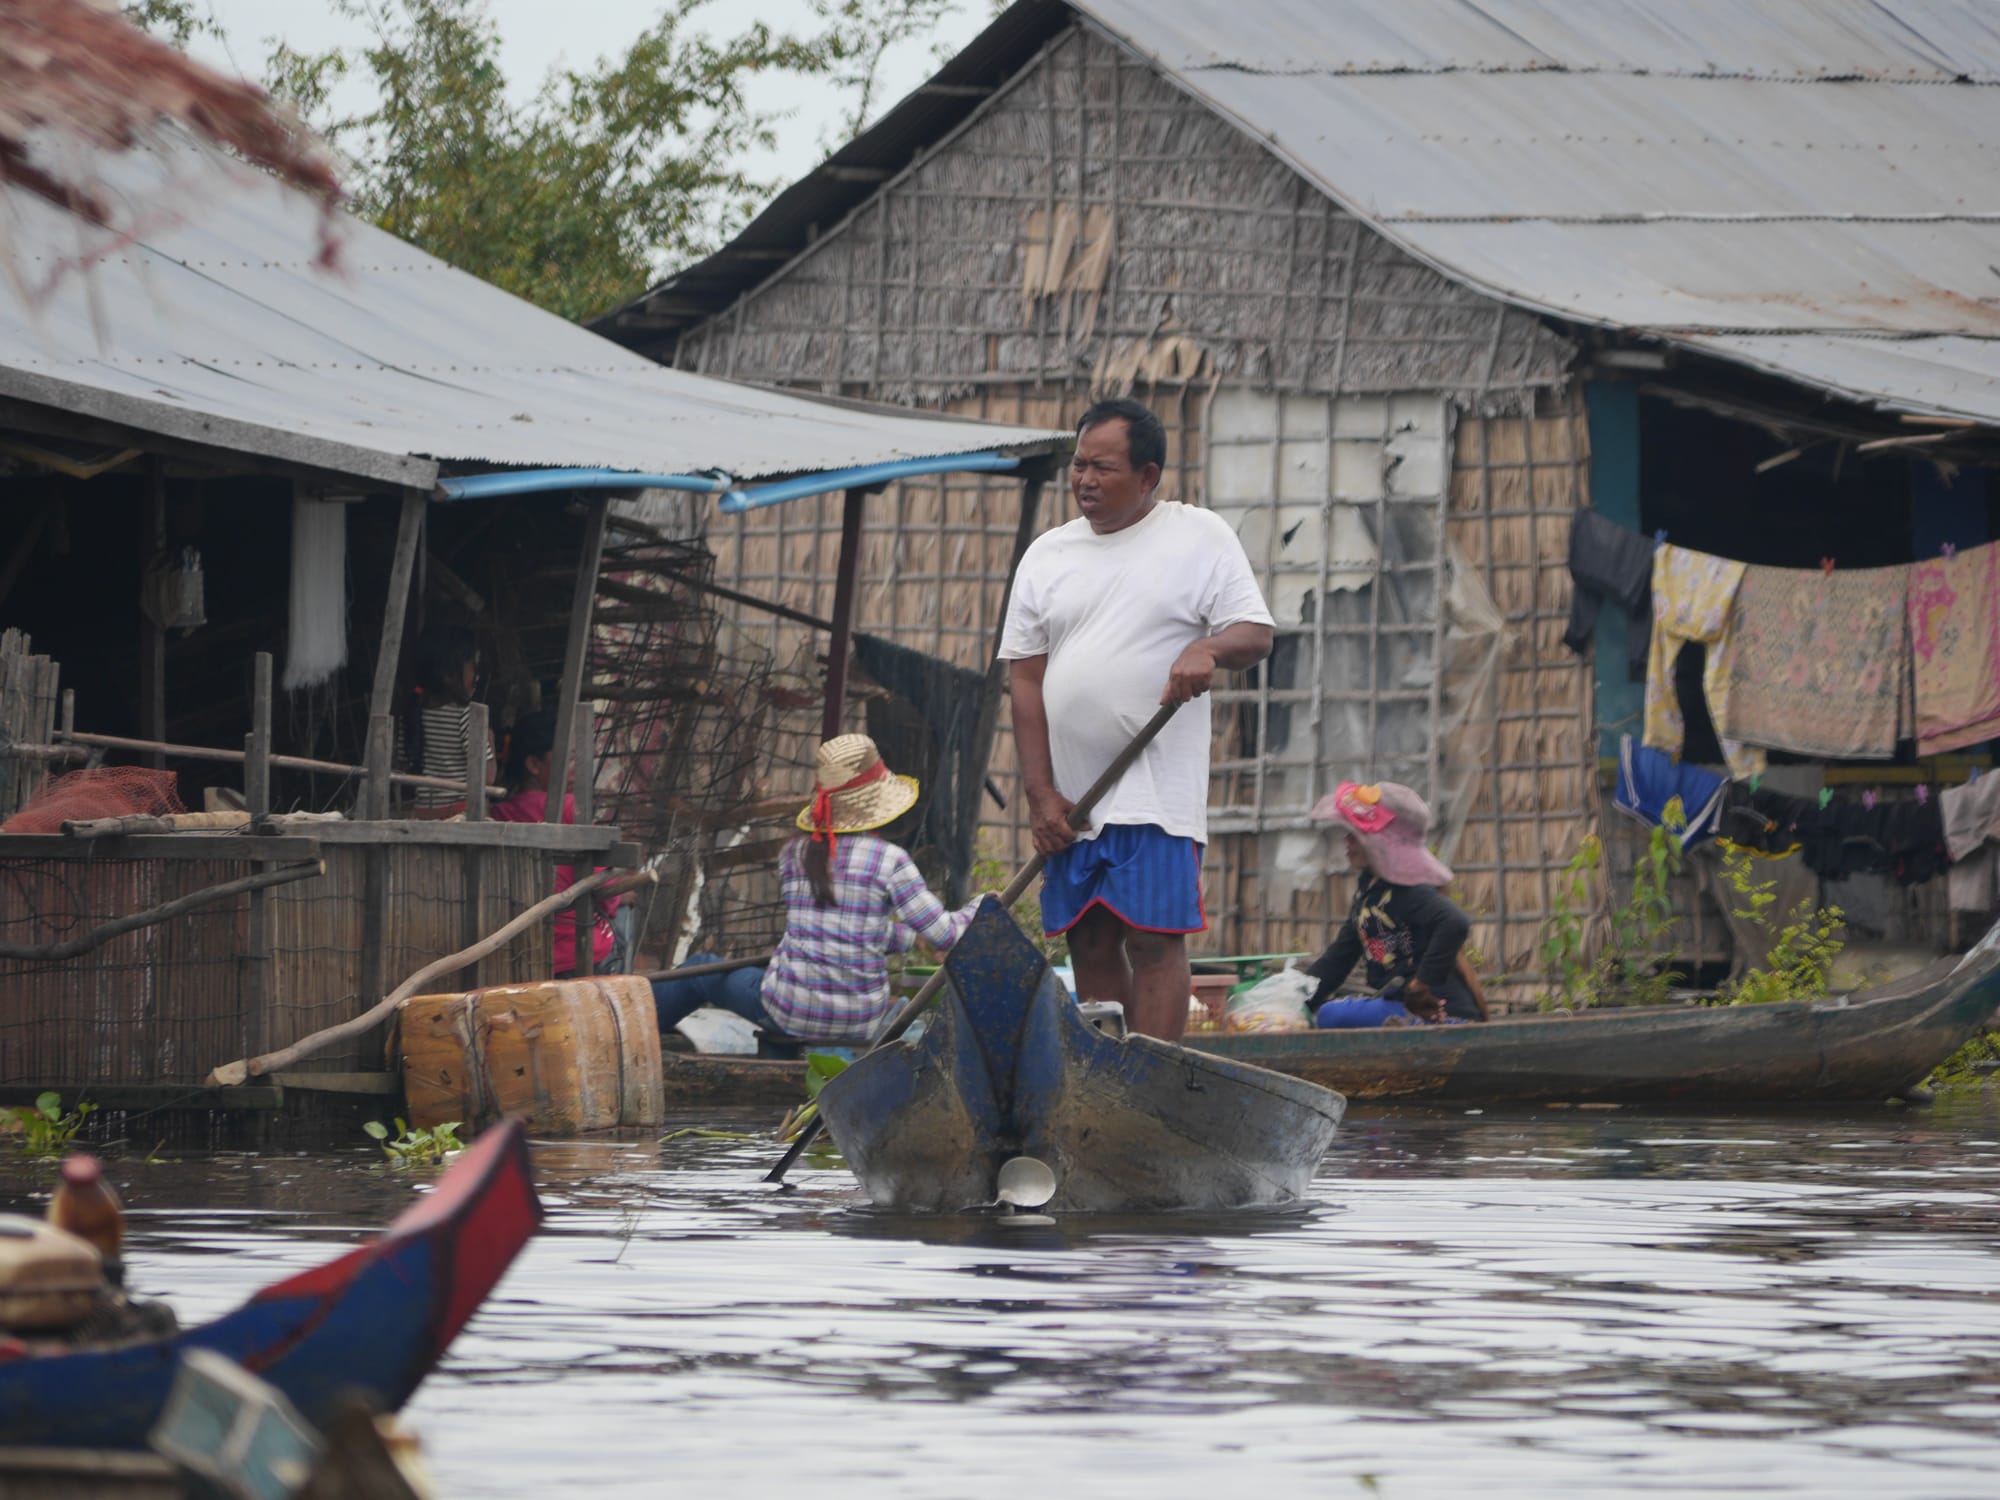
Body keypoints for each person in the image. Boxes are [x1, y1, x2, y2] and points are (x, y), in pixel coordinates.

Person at [1000, 397, 1274, 1041]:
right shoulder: (1047, 554)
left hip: (1153, 791)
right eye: (1078, 464)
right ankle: (1107, 1078)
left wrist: (1207, 648)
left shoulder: (1197, 535)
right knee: (1089, 942)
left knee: (1153, 939)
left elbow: (1255, 634)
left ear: (1148, 475)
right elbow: (1025, 679)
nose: (1084, 480)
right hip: (1073, 801)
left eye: (1103, 467)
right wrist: (1041, 796)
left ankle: (1152, 1076)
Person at [651, 733, 984, 1047]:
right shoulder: (891, 860)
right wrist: (982, 906)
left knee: (702, 968)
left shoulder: (793, 855)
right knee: (723, 969)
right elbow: (946, 935)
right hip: (861, 1021)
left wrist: (911, 938)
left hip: (789, 1011)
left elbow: (847, 927)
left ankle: (642, 1032)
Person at [1305, 781, 1481, 1027]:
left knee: (1331, 1015)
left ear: (1379, 844)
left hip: (1441, 1016)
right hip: (1401, 1008)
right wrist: (1297, 998)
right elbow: (1339, 958)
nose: (1347, 842)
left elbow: (1455, 923)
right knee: (1322, 1013)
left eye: (1355, 835)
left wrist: (1420, 985)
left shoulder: (1406, 891)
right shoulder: (1370, 893)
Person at [489, 709, 644, 978]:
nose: (578, 768)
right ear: (534, 765)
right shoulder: (571, 809)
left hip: (520, 955)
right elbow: (604, 894)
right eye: (570, 758)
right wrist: (619, 896)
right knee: (624, 912)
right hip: (578, 953)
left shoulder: (499, 815)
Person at [399, 625, 494, 816]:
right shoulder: (466, 716)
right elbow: (487, 777)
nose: (477, 676)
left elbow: (403, 767)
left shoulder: (411, 716)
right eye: (473, 668)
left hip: (423, 813)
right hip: (461, 814)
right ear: (449, 675)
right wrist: (489, 737)